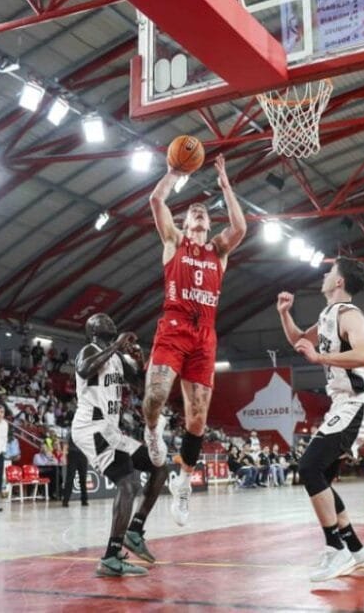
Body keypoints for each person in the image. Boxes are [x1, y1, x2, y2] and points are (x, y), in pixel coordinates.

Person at [140, 155, 247, 527]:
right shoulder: (174, 241)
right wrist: (173, 173)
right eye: (193, 212)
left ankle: (183, 482)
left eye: (203, 212)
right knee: (156, 394)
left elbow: (240, 227)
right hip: (174, 327)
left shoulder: (218, 251)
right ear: (185, 223)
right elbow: (156, 201)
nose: (199, 212)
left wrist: (225, 185)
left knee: (198, 418)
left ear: (208, 223)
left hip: (205, 335)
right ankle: (152, 431)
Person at [276, 256, 364, 582]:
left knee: (308, 467)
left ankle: (336, 549)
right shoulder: (327, 316)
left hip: (358, 403)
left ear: (339, 282)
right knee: (320, 476)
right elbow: (299, 341)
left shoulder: (350, 315)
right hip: (341, 405)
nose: (324, 274)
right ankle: (357, 549)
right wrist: (284, 314)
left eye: (330, 271)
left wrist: (320, 357)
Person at [72, 313, 171, 577]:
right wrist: (117, 344)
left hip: (111, 430)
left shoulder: (116, 358)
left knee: (160, 466)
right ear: (93, 330)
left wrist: (140, 361)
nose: (110, 321)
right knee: (128, 484)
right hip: (91, 427)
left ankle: (134, 531)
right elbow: (84, 369)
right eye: (103, 320)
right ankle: (111, 558)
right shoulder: (89, 350)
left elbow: (140, 383)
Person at [62, 442, 90, 508]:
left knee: (83, 478)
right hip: (72, 454)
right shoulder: (71, 435)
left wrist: (89, 456)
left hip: (83, 454)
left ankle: (84, 500)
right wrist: (64, 456)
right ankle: (65, 500)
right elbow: (66, 444)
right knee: (70, 478)